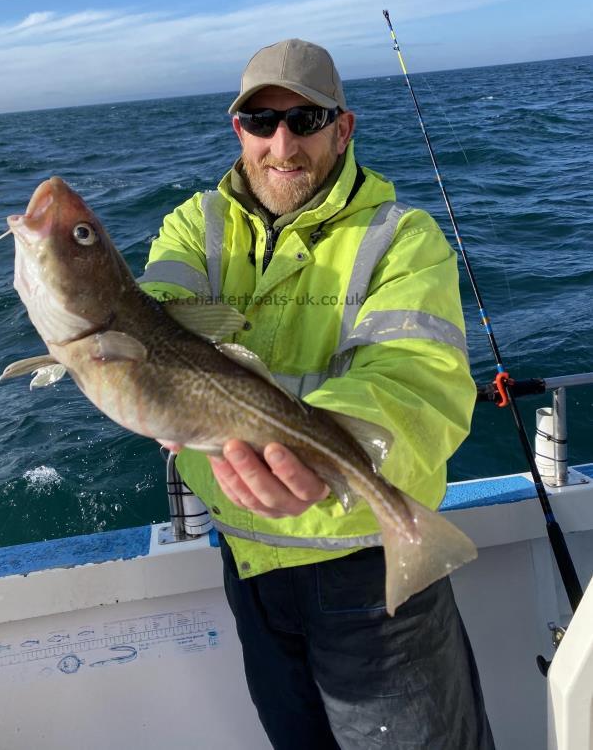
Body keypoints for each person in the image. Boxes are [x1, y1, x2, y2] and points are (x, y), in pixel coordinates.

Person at [140, 39, 495, 750]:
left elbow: (416, 380)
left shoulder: (402, 237)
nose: (282, 144)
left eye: (304, 120)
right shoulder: (195, 223)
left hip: (368, 566)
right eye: (260, 121)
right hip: (247, 563)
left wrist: (315, 451)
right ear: (236, 129)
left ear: (343, 127)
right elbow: (153, 322)